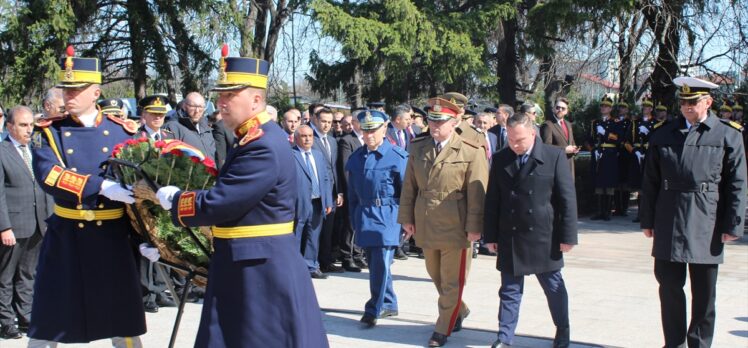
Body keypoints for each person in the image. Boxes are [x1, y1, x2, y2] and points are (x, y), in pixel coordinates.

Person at [155, 49, 329, 348]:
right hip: (246, 262)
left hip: (259, 268)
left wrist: (178, 201)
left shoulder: (261, 144)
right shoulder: (251, 138)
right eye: (220, 95)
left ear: (256, 100)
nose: (221, 103)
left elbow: (224, 201)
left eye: (230, 95)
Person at [28, 46, 147, 347]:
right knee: (49, 321)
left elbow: (143, 182)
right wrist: (102, 187)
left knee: (122, 321)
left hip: (113, 236)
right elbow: (49, 175)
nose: (69, 95)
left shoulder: (123, 131)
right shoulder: (50, 132)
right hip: (68, 236)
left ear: (95, 92)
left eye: (77, 89)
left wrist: (149, 235)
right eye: (66, 88)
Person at [641, 76, 746, 348]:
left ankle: (699, 343)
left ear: (708, 102)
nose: (687, 107)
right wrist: (647, 219)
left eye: (693, 102)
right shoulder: (664, 133)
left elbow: (737, 183)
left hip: (706, 221)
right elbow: (650, 181)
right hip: (669, 219)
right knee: (670, 288)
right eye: (684, 102)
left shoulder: (727, 134)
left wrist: (733, 223)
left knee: (704, 293)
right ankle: (673, 343)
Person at [398, 97, 488, 347]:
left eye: (441, 122)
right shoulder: (418, 147)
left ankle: (442, 328)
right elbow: (409, 186)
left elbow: (477, 194)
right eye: (431, 121)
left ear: (455, 121)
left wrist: (475, 227)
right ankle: (459, 309)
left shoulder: (471, 149)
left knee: (451, 281)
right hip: (426, 220)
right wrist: (406, 218)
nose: (435, 126)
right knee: (434, 274)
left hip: (456, 224)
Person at [484, 112, 578, 348]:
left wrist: (568, 236)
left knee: (554, 288)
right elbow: (493, 200)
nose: (515, 145)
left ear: (533, 134)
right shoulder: (501, 158)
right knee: (509, 291)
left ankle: (563, 330)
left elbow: (567, 200)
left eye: (520, 140)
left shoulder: (553, 156)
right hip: (511, 234)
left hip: (544, 236)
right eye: (512, 140)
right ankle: (504, 337)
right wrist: (490, 236)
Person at [346, 110, 408, 328]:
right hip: (364, 216)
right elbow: (352, 195)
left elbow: (407, 193)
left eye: (373, 129)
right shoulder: (356, 158)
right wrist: (354, 219)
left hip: (388, 217)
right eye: (365, 130)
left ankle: (374, 307)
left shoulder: (397, 157)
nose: (369, 134)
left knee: (381, 262)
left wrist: (408, 221)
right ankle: (389, 303)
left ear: (384, 129)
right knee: (376, 265)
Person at [0, 106, 53, 339]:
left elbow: (44, 186)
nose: (28, 130)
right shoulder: (2, 151)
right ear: (9, 126)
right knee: (5, 276)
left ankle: (25, 317)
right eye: (23, 125)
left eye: (31, 124)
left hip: (38, 222)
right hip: (13, 224)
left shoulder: (37, 149)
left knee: (28, 273)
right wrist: (4, 226)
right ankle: (5, 321)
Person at [292, 125, 333, 279]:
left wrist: (328, 200)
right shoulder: (291, 154)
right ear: (296, 138)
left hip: (317, 202)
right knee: (296, 235)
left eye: (310, 136)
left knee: (313, 235)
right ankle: (294, 268)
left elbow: (325, 178)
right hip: (299, 203)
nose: (308, 139)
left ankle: (311, 266)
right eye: (303, 136)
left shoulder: (317, 155)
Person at [310, 107, 345, 274]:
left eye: (329, 122)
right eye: (323, 121)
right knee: (316, 229)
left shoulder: (331, 140)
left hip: (332, 192)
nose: (326, 125)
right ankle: (313, 262)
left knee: (329, 230)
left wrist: (339, 191)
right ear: (316, 120)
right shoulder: (310, 138)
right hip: (317, 192)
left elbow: (335, 167)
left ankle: (325, 261)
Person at [336, 110, 366, 272]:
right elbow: (345, 168)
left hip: (364, 190)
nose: (363, 125)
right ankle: (347, 257)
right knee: (349, 225)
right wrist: (351, 191)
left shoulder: (366, 139)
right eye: (360, 121)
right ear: (353, 123)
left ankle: (358, 254)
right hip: (352, 190)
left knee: (359, 224)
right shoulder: (347, 140)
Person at [588, 95, 622, 221]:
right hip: (598, 154)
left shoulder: (615, 122)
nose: (603, 108)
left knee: (608, 183)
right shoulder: (595, 123)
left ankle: (607, 212)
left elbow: (619, 138)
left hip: (610, 155)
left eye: (606, 106)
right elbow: (588, 139)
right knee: (599, 183)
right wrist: (593, 150)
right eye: (602, 106)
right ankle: (599, 211)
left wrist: (606, 133)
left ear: (611, 108)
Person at [625, 96, 656, 223]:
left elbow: (656, 140)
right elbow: (626, 141)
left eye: (648, 106)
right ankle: (640, 213)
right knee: (639, 185)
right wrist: (634, 151)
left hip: (649, 156)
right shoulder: (635, 123)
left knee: (648, 184)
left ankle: (648, 213)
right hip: (637, 154)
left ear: (651, 109)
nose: (645, 108)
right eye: (644, 106)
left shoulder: (655, 123)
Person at [163, 92, 217, 161]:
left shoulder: (206, 128)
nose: (197, 111)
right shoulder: (172, 128)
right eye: (193, 106)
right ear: (184, 106)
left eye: (200, 107)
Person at [540, 97, 579, 177]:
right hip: (556, 166)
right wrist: (564, 150)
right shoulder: (548, 125)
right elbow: (546, 148)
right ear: (554, 109)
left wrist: (575, 149)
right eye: (558, 107)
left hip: (569, 166)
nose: (560, 110)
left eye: (563, 108)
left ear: (567, 111)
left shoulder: (568, 124)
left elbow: (571, 142)